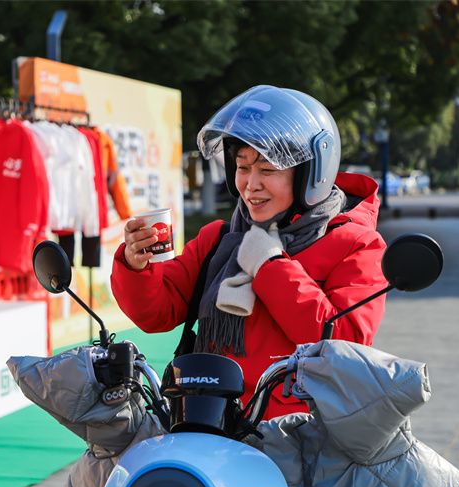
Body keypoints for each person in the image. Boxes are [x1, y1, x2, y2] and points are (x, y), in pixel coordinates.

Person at [111, 85, 388, 419]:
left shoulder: (357, 245)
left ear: (311, 176)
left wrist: (270, 265)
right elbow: (156, 313)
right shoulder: (220, 239)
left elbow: (345, 345)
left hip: (298, 433)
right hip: (207, 419)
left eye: (267, 170)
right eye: (243, 168)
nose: (251, 184)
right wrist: (136, 266)